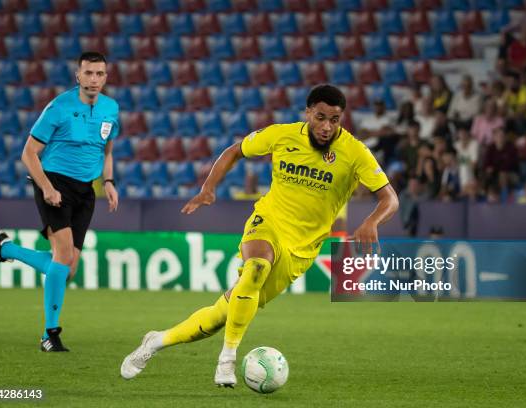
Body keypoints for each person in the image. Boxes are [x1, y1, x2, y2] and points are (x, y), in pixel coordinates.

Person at [120, 84, 399, 386]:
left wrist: (371, 221)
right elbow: (235, 151)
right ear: (308, 113)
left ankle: (156, 341)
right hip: (268, 221)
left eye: (335, 120)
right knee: (256, 266)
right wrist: (208, 189)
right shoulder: (281, 135)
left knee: (220, 317)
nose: (327, 127)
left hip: (301, 249)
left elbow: (390, 199)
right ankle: (227, 359)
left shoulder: (355, 151)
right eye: (321, 117)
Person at [0, 52, 120, 352]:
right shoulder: (58, 107)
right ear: (78, 76)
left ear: (106, 77)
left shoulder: (111, 109)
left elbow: (107, 151)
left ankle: (5, 249)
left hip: (86, 190)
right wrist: (46, 187)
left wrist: (108, 182)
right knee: (62, 256)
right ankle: (49, 334)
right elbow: (28, 153)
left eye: (100, 74)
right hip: (54, 182)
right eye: (89, 73)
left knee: (68, 268)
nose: (94, 79)